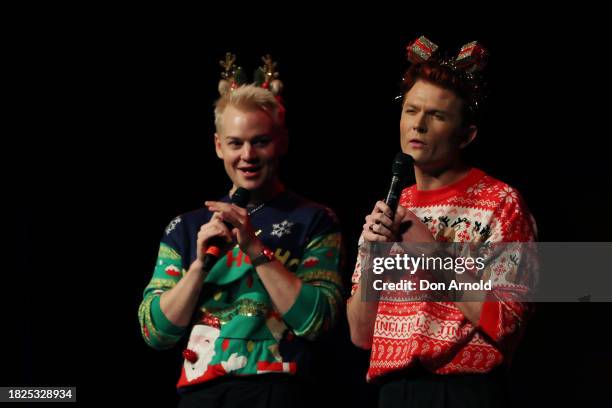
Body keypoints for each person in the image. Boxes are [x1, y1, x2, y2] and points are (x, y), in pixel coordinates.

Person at [138, 55, 343, 408]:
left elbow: (319, 320)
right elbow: (155, 331)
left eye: (260, 141)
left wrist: (254, 249)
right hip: (200, 393)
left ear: (282, 142)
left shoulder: (315, 220)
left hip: (278, 391)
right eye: (235, 143)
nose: (247, 155)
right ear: (219, 146)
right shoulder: (186, 228)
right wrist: (200, 267)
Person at [346, 37, 537, 407]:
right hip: (393, 390)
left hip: (463, 391)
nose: (417, 125)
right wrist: (375, 258)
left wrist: (432, 252)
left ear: (466, 135)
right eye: (411, 111)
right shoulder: (390, 209)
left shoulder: (501, 202)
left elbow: (507, 321)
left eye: (436, 116)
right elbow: (360, 335)